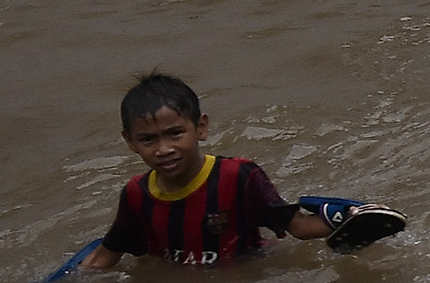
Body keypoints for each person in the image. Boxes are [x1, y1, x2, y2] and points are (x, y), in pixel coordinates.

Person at [84, 73, 344, 270]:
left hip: (246, 279)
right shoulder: (135, 194)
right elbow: (106, 255)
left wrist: (353, 220)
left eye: (175, 134)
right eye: (148, 140)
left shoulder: (239, 176)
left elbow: (298, 226)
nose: (164, 149)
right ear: (130, 142)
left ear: (201, 127)